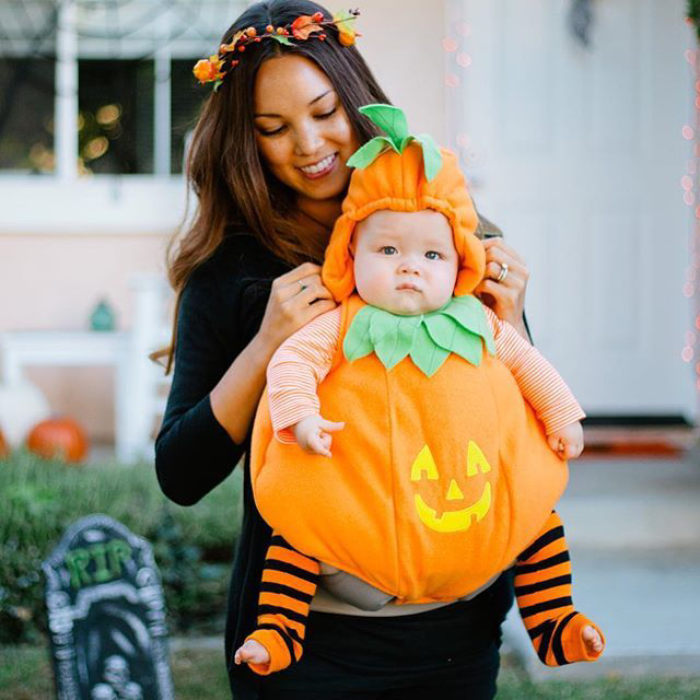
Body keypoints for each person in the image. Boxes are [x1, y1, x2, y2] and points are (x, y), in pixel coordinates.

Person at [156, 2, 545, 698]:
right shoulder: (234, 274)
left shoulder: (449, 239)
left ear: (359, 101)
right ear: (245, 141)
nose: (307, 144)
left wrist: (512, 321)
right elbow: (180, 475)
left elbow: (523, 419)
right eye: (272, 129)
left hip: (455, 631)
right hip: (301, 640)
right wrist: (269, 346)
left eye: (323, 110)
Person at [233, 105, 604, 675]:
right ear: (349, 255)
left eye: (431, 255)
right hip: (361, 502)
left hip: (459, 477)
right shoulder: (340, 323)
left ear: (459, 264)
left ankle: (555, 621)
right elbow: (292, 364)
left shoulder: (477, 321)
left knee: (538, 515)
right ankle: (277, 631)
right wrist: (300, 418)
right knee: (299, 530)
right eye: (388, 252)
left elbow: (529, 366)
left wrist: (563, 418)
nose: (410, 268)